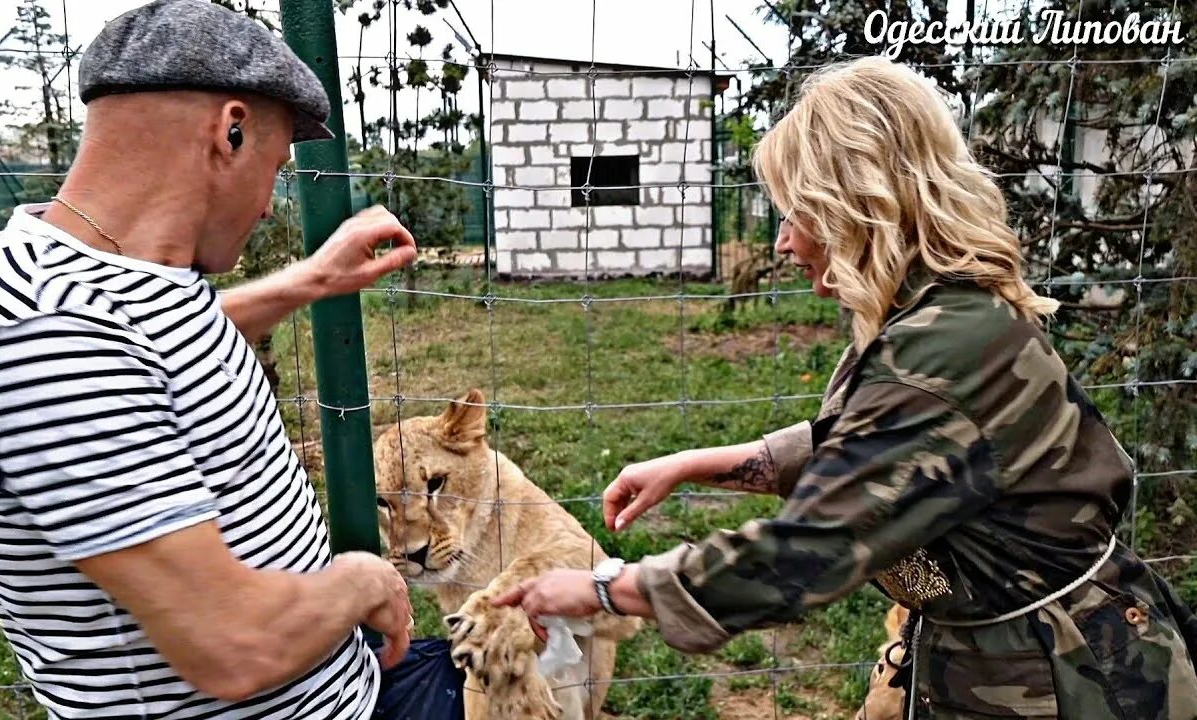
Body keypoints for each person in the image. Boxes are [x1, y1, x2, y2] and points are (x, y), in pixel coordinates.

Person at [495, 56, 1197, 719]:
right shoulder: (944, 317)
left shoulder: (947, 345)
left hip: (1073, 682)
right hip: (1021, 659)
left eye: (797, 212)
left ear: (860, 206)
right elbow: (883, 446)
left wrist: (605, 587)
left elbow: (809, 549)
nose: (782, 242)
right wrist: (695, 464)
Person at [0, 2, 465, 718]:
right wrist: (365, 582)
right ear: (229, 130)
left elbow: (158, 350)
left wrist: (312, 280)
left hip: (344, 685)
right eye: (275, 168)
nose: (270, 205)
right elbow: (234, 645)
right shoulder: (47, 331)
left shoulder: (103, 278)